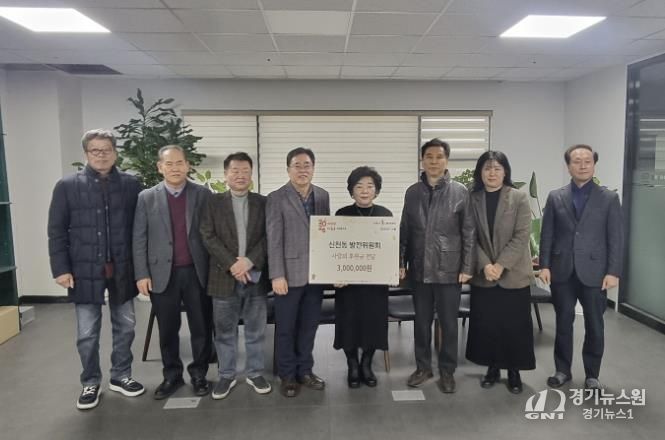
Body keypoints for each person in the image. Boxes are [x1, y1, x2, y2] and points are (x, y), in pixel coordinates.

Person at [48, 129, 145, 410]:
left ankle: (121, 375)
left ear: (115, 152)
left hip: (122, 268)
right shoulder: (67, 186)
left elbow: (140, 229)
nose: (101, 155)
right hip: (84, 269)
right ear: (86, 154)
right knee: (87, 333)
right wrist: (61, 268)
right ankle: (90, 381)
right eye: (95, 150)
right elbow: (56, 231)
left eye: (107, 150)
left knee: (126, 326)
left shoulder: (131, 185)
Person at [539, 144, 623, 390]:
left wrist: (613, 271)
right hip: (562, 270)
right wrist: (544, 265)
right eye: (576, 161)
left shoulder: (609, 198)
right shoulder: (556, 196)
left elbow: (615, 238)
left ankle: (592, 375)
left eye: (587, 161)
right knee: (563, 322)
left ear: (594, 164)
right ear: (568, 166)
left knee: (595, 325)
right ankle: (562, 370)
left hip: (595, 272)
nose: (582, 165)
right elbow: (547, 234)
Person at [133, 145, 213, 400]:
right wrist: (141, 274)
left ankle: (199, 374)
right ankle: (172, 375)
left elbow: (211, 234)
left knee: (201, 327)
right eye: (169, 164)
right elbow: (139, 238)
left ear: (188, 165)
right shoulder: (146, 197)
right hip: (161, 274)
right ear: (160, 167)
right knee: (167, 329)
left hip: (196, 272)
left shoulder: (202, 194)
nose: (175, 168)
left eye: (180, 163)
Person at [399, 138, 474, 393]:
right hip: (420, 267)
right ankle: (423, 367)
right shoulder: (412, 192)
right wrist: (401, 261)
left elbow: (469, 232)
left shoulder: (460, 192)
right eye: (429, 157)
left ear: (446, 160)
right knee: (421, 322)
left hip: (449, 269)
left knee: (449, 323)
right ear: (422, 160)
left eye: (439, 157)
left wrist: (467, 267)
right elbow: (405, 230)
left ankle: (447, 371)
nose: (434, 162)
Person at [199, 152, 272, 400]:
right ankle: (227, 374)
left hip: (255, 276)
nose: (240, 175)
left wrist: (249, 261)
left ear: (251, 175)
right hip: (223, 276)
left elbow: (269, 236)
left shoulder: (263, 202)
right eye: (235, 170)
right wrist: (233, 264)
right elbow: (207, 235)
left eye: (245, 171)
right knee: (224, 331)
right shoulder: (212, 202)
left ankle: (255, 372)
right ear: (226, 174)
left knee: (256, 330)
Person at [465, 151, 536, 394]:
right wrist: (486, 265)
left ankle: (514, 371)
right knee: (488, 325)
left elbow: (522, 236)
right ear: (480, 172)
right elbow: (470, 236)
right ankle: (492, 368)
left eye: (497, 168)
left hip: (513, 274)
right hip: (484, 275)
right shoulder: (472, 199)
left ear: (505, 172)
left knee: (515, 326)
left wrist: (500, 265)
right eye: (487, 168)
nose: (492, 173)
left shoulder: (519, 197)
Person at [266, 147, 330, 398]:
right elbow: (273, 239)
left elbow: (327, 234)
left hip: (316, 274)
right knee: (286, 328)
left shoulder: (322, 196)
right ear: (288, 169)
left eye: (307, 165)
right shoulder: (276, 198)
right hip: (288, 275)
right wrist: (276, 275)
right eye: (297, 165)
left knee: (309, 326)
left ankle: (305, 371)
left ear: (313, 168)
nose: (302, 170)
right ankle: (287, 375)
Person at [334, 166, 392, 388]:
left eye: (370, 186)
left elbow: (391, 248)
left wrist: (393, 268)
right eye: (359, 186)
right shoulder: (341, 215)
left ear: (376, 190)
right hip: (347, 284)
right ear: (352, 191)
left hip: (375, 285)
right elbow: (333, 250)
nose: (365, 191)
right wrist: (334, 274)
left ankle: (366, 363)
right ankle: (352, 364)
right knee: (348, 323)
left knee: (373, 323)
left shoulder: (385, 215)